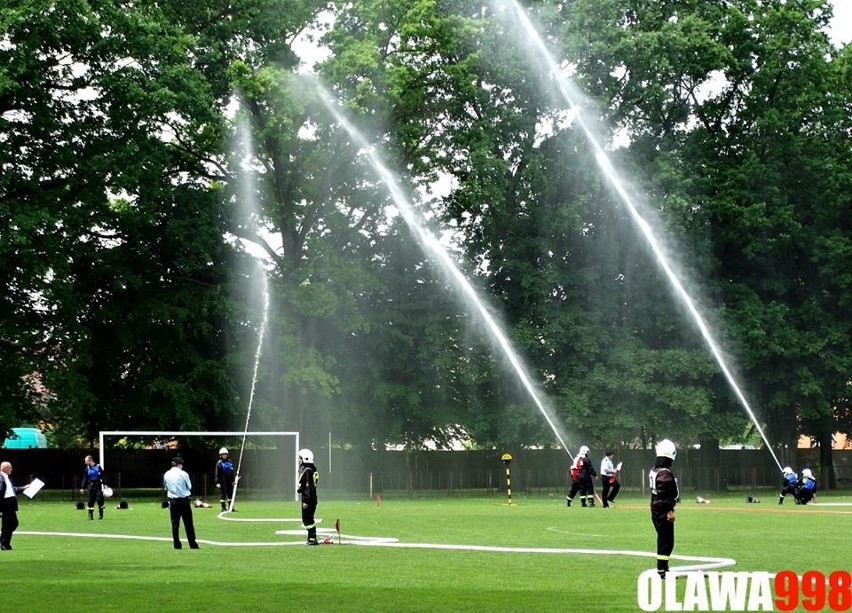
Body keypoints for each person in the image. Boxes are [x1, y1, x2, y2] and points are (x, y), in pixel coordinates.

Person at [649, 439, 679, 580]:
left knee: (664, 539)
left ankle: (663, 568)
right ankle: (662, 569)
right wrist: (669, 510)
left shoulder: (655, 470)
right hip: (662, 511)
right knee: (666, 540)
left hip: (656, 509)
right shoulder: (665, 473)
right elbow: (664, 494)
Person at [163, 456, 199, 550]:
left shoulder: (167, 474)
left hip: (173, 500)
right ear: (179, 465)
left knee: (175, 524)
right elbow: (189, 486)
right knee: (188, 523)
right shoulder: (184, 474)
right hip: (184, 500)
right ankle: (192, 543)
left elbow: (166, 487)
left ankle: (176, 544)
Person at [0, 461, 27, 550]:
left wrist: (24, 488)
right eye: (10, 467)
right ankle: (4, 543)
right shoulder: (1, 478)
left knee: (12, 524)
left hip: (10, 503)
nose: (11, 469)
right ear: (5, 468)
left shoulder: (5, 478)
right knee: (9, 524)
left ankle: (4, 542)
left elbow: (12, 490)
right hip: (6, 503)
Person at [297, 448, 319, 546]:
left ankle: (312, 539)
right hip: (312, 498)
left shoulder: (307, 471)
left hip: (309, 499)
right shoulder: (312, 469)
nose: (299, 460)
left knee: (307, 519)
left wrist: (305, 500)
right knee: (309, 518)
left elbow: (308, 487)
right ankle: (311, 538)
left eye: (300, 458)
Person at [79, 455, 107, 520]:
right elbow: (85, 478)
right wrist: (82, 487)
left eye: (86, 461)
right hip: (90, 486)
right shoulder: (87, 469)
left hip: (98, 485)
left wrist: (105, 484)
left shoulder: (98, 467)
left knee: (100, 500)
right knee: (90, 500)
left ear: (90, 460)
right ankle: (90, 514)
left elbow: (103, 475)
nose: (85, 463)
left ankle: (101, 513)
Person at [215, 447, 236, 512]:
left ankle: (231, 507)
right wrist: (217, 482)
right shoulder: (219, 463)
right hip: (222, 479)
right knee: (223, 493)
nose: (224, 456)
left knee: (230, 493)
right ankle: (223, 508)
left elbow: (232, 471)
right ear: (220, 455)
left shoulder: (230, 462)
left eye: (225, 454)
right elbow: (217, 473)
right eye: (223, 454)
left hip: (229, 479)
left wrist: (233, 480)